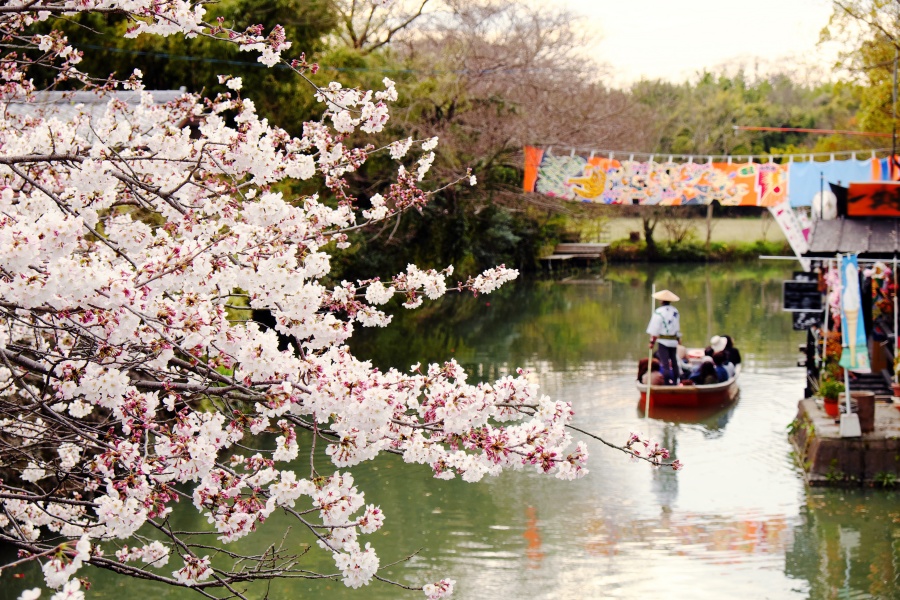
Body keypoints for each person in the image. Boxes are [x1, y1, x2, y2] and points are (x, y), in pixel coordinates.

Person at [646, 289, 681, 384]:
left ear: (661, 300)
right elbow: (677, 326)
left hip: (663, 341)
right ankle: (676, 382)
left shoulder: (659, 312)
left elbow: (655, 328)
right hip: (673, 340)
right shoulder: (675, 311)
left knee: (665, 363)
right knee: (674, 362)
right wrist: (678, 338)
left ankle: (666, 383)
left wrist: (652, 342)